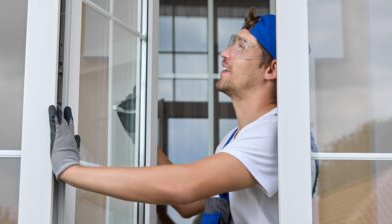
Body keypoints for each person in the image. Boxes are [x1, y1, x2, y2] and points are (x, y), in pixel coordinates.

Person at [49, 9, 279, 223]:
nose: (225, 53)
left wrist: (72, 170)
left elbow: (184, 186)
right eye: (232, 43)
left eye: (242, 46)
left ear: (271, 69)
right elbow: (188, 204)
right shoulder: (234, 139)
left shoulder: (273, 133)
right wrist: (142, 135)